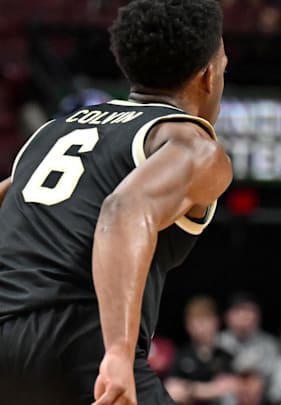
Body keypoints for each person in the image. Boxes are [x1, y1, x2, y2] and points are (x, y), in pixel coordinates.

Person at [0, 1, 231, 404]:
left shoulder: (52, 132)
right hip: (76, 345)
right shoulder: (191, 145)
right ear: (208, 76)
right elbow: (122, 211)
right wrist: (118, 352)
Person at [165, 296, 236, 405]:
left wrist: (189, 389)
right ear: (188, 325)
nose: (201, 326)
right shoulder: (181, 355)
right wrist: (211, 389)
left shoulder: (225, 356)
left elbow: (230, 388)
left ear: (216, 322)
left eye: (206, 319)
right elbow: (172, 390)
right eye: (196, 321)